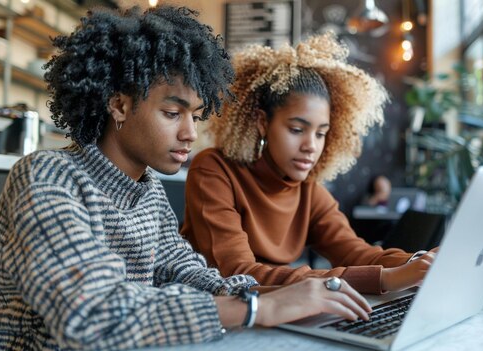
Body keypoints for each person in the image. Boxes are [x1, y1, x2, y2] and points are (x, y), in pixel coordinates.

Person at [0, 7, 373, 350]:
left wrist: (292, 294)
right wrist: (259, 308)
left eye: (196, 117)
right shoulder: (47, 178)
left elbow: (192, 276)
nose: (189, 134)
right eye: (172, 113)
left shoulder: (147, 193)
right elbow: (91, 315)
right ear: (119, 104)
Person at [181, 33, 437, 295]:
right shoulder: (213, 170)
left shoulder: (309, 191)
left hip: (278, 312)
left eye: (321, 133)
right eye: (296, 129)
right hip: (211, 316)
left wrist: (419, 263)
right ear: (262, 122)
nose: (311, 146)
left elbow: (356, 253)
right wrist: (383, 279)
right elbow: (239, 274)